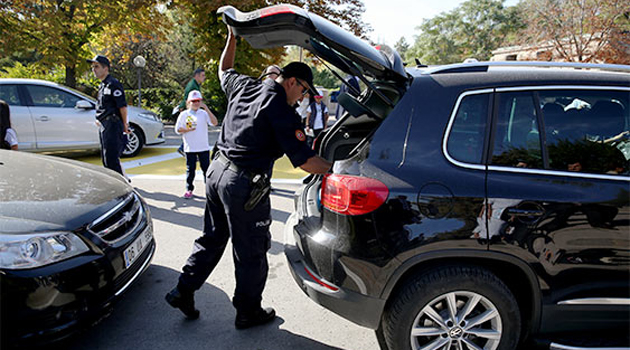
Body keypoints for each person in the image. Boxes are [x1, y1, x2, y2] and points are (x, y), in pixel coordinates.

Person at [165, 25, 331, 329]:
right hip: (243, 185)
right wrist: (335, 169)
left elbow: (223, 68)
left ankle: (183, 290)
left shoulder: (245, 85)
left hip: (216, 173)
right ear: (292, 81)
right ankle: (248, 311)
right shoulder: (280, 109)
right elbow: (306, 161)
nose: (302, 98)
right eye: (304, 91)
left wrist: (232, 38)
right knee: (251, 249)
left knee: (212, 238)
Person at [87, 55, 128, 176]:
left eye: (97, 66)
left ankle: (120, 186)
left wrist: (125, 125)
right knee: (106, 158)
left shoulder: (113, 84)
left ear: (105, 69)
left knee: (111, 158)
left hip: (112, 124)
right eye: (93, 67)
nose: (94, 69)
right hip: (105, 124)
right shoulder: (103, 85)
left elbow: (122, 106)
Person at [175, 90, 218, 199]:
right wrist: (186, 129)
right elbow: (177, 129)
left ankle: (209, 189)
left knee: (206, 170)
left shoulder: (203, 113)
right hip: (190, 148)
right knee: (190, 170)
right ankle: (189, 189)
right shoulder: (184, 114)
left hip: (203, 147)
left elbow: (214, 123)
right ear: (189, 102)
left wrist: (206, 109)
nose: (196, 103)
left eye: (198, 101)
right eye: (194, 101)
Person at [176, 69, 211, 157]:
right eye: (202, 75)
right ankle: (185, 149)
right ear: (197, 76)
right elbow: (189, 99)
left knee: (193, 128)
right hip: (189, 109)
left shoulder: (195, 84)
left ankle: (185, 149)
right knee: (192, 128)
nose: (204, 78)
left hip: (188, 108)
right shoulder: (193, 86)